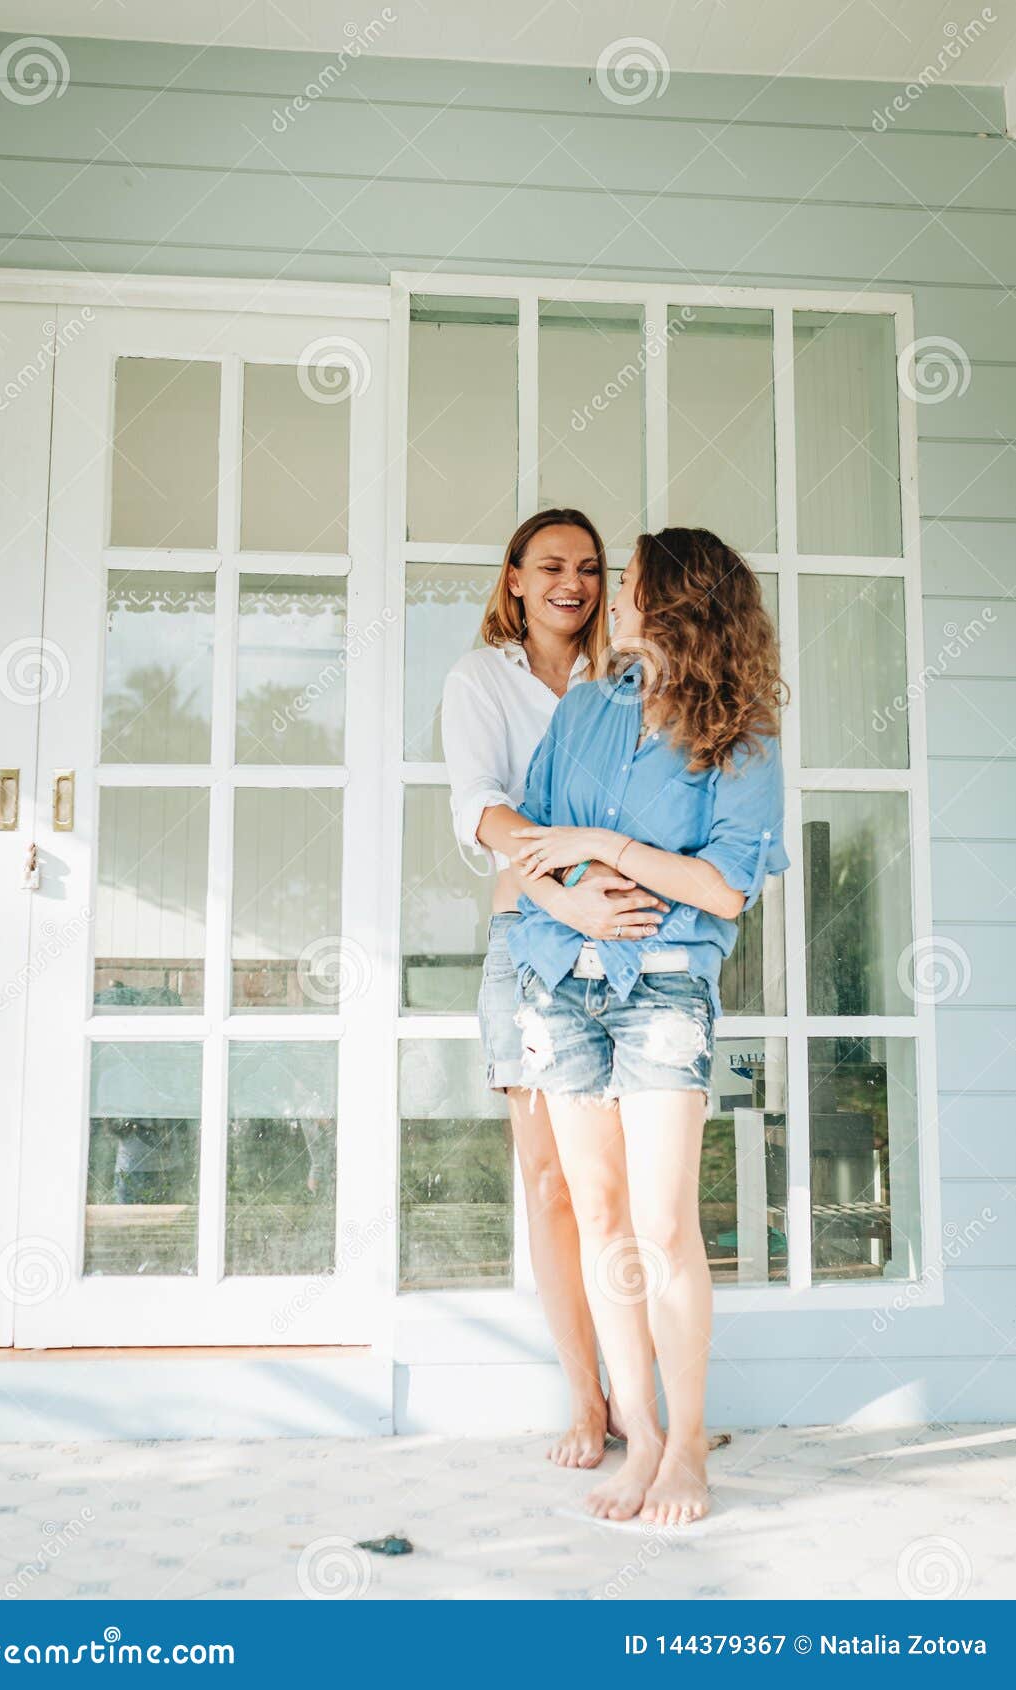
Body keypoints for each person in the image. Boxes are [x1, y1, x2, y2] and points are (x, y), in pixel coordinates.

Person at [508, 526, 789, 1525]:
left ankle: (688, 1447)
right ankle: (642, 1436)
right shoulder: (584, 709)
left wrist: (605, 843)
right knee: (601, 1218)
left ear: (674, 603)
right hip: (559, 983)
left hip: (666, 986)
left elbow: (723, 888)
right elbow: (524, 853)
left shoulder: (740, 733)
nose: (609, 598)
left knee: (664, 1224)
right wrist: (580, 882)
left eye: (625, 583)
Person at [441, 509, 664, 1469]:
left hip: (635, 950)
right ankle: (585, 1400)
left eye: (587, 567)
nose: (571, 582)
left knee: (632, 1190)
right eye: (550, 566)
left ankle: (644, 1400)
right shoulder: (478, 679)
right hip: (528, 938)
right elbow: (483, 809)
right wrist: (566, 898)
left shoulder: (628, 678)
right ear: (516, 578)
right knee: (550, 1181)